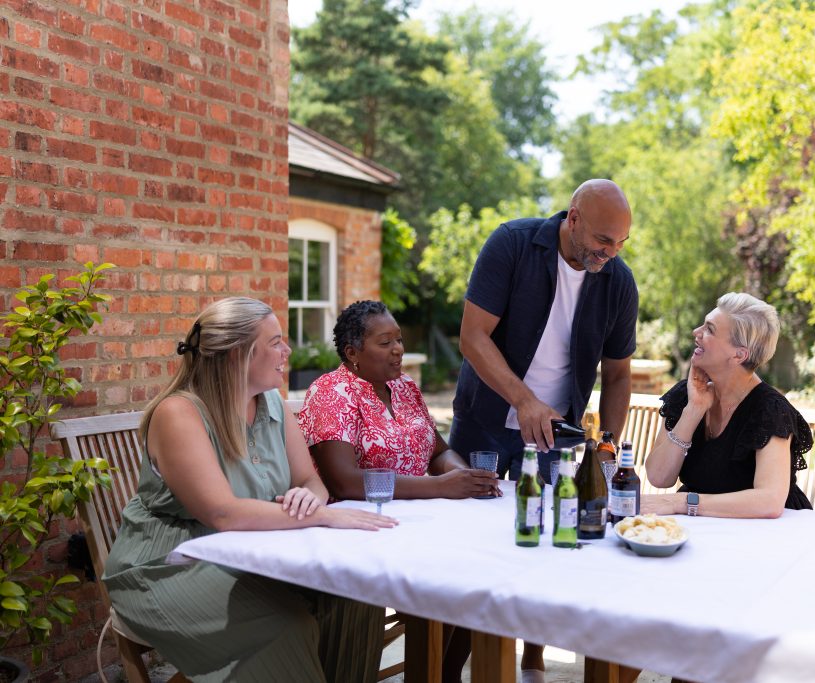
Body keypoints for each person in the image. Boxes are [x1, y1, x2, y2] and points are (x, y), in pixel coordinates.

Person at [102, 297, 397, 683]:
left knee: (357, 596)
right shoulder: (180, 414)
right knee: (285, 626)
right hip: (168, 565)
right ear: (237, 355)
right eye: (275, 342)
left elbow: (311, 481)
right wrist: (323, 515)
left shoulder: (271, 403)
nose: (287, 351)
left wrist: (311, 497)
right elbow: (222, 513)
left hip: (252, 554)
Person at [447, 179, 639, 683]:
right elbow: (472, 336)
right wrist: (524, 400)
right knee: (468, 554)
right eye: (603, 240)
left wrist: (607, 445)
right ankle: (446, 667)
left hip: (559, 436)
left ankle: (532, 658)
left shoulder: (618, 281)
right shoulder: (512, 243)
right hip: (486, 423)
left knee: (552, 542)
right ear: (572, 218)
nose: (610, 253)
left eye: (620, 244)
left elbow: (617, 374)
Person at [297, 300, 500, 500]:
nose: (398, 349)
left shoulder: (404, 386)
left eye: (399, 340)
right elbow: (344, 483)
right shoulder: (330, 392)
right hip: (359, 519)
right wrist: (439, 486)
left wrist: (466, 478)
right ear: (352, 353)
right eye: (385, 343)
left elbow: (438, 453)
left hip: (417, 515)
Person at [641, 292, 814, 519]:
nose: (696, 333)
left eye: (709, 329)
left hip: (767, 534)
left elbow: (769, 501)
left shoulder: (769, 410)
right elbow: (658, 477)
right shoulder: (688, 394)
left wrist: (683, 501)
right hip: (705, 524)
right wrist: (693, 410)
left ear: (739, 355)